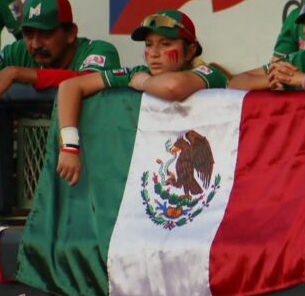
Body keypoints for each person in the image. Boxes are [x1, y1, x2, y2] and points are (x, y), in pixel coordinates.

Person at [56, 10, 227, 186]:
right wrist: (69, 147)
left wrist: (145, 83)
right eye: (148, 44)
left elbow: (172, 87)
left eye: (165, 44)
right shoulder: (137, 73)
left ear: (190, 51)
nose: (154, 53)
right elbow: (69, 87)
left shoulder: (209, 73)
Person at [0, 0, 120, 126]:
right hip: (34, 158)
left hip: (87, 158)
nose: (35, 44)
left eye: (46, 34)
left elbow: (86, 81)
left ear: (70, 33)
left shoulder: (99, 51)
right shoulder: (19, 50)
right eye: (28, 34)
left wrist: (16, 73)